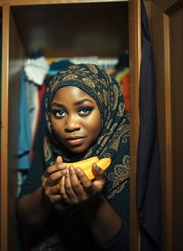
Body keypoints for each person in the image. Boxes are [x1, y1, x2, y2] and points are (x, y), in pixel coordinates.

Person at [17, 63, 130, 250]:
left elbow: (126, 244)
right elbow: (25, 219)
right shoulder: (51, 141)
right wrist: (44, 195)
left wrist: (92, 201)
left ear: (105, 107)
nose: (70, 125)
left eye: (84, 110)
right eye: (59, 112)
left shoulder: (129, 144)